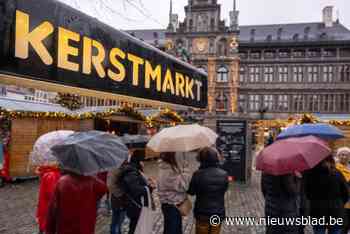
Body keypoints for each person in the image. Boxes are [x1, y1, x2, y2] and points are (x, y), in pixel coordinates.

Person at [188, 147, 229, 234]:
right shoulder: (224, 174)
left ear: (200, 159)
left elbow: (191, 192)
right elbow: (224, 190)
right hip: (218, 212)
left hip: (202, 213)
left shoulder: (197, 174)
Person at [304, 156, 349, 234]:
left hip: (317, 210)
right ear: (331, 161)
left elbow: (307, 193)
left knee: (319, 231)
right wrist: (340, 203)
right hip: (336, 210)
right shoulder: (337, 173)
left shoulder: (310, 174)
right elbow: (346, 192)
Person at [119, 149, 155, 234]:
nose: (144, 163)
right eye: (142, 160)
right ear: (138, 160)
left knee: (135, 226)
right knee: (135, 228)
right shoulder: (131, 171)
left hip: (135, 204)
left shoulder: (134, 169)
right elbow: (135, 189)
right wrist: (149, 188)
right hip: (135, 205)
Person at [158, 152, 190, 234]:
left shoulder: (163, 168)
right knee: (173, 230)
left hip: (167, 203)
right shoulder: (170, 171)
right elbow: (183, 186)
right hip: (173, 205)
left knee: (169, 228)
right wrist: (185, 170)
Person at [36, 165, 61, 234]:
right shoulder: (52, 175)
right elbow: (51, 194)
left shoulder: (49, 175)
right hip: (48, 206)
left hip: (46, 206)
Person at [108, 160, 128, 234]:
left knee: (117, 218)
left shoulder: (120, 168)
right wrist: (121, 194)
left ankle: (117, 231)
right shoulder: (116, 169)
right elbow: (110, 185)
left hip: (118, 197)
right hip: (118, 198)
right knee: (117, 219)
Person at [335, 147, 350, 234]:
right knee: (343, 225)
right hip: (342, 201)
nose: (344, 157)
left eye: (346, 155)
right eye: (342, 155)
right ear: (338, 156)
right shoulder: (336, 168)